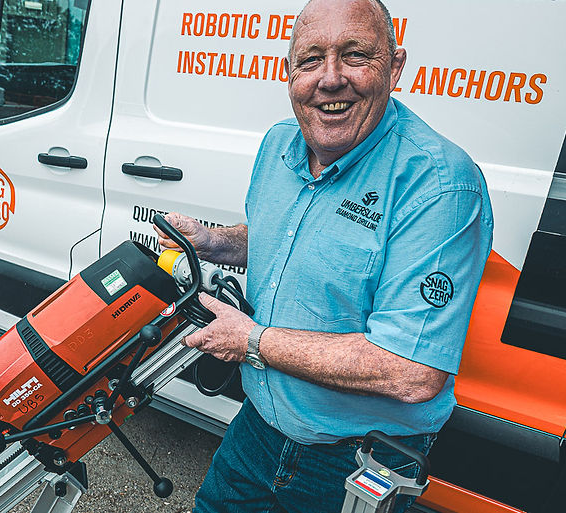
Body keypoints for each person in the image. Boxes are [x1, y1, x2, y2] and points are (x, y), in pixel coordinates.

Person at [153, 1, 494, 512]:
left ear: (395, 67)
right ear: (288, 74)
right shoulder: (279, 145)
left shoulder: (441, 187)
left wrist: (251, 340)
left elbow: (411, 370)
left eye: (355, 55)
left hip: (356, 460)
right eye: (310, 60)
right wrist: (218, 242)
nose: (330, 79)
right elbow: (306, 235)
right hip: (258, 427)